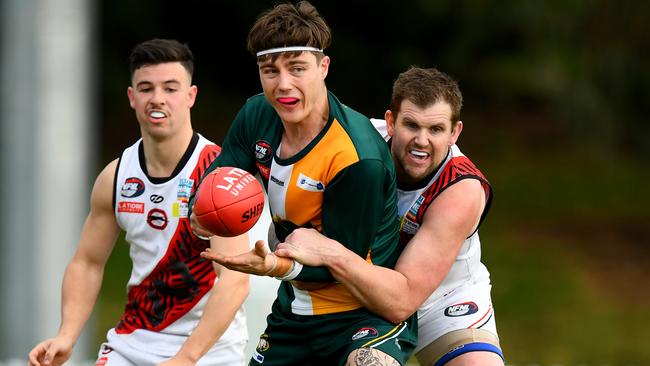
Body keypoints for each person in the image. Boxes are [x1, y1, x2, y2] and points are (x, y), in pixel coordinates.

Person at [191, 2, 417, 365]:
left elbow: (339, 266)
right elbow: (217, 181)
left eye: (297, 69)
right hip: (295, 312)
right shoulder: (256, 114)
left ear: (323, 67)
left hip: (362, 315)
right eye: (270, 71)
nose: (283, 85)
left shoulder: (357, 159)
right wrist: (202, 213)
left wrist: (273, 267)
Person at [27, 39, 250, 366]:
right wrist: (66, 335)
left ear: (191, 96)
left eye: (170, 88)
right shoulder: (115, 177)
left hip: (207, 352)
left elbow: (235, 281)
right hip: (133, 342)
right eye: (146, 88)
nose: (157, 99)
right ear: (132, 97)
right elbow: (87, 262)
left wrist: (185, 360)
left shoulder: (217, 175)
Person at [274, 67, 506, 366]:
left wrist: (330, 253)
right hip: (359, 290)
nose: (422, 141)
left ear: (454, 132)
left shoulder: (462, 190)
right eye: (411, 125)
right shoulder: (356, 143)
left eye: (436, 129)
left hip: (444, 300)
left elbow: (402, 300)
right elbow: (293, 118)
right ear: (391, 122)